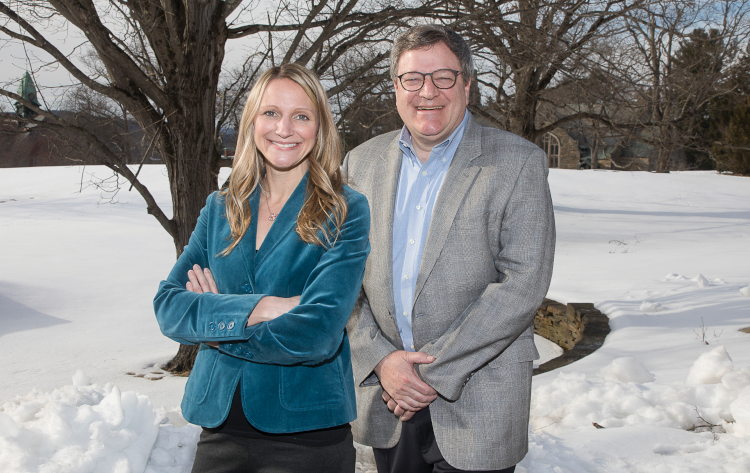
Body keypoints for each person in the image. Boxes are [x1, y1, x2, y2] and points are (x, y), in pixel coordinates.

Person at [343, 25, 555, 473]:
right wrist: (382, 361)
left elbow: (522, 283)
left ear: (466, 84)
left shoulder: (518, 162)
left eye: (443, 77)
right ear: (396, 88)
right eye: (413, 79)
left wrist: (426, 372)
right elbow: (340, 278)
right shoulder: (360, 163)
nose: (428, 92)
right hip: (388, 399)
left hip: (480, 397)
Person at [153, 63, 370, 473]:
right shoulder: (221, 207)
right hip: (218, 429)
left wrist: (216, 327)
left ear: (319, 127)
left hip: (306, 436)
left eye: (301, 116)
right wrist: (266, 306)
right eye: (271, 113)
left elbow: (317, 333)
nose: (283, 129)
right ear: (252, 121)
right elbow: (168, 306)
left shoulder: (345, 210)